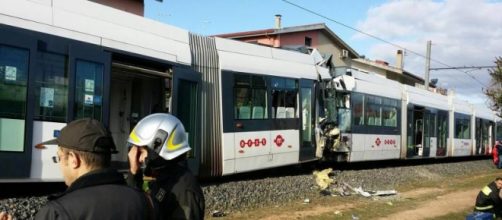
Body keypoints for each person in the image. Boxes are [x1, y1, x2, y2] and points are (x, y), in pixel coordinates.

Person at [26, 118, 151, 219]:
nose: (59, 164)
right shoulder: (146, 202)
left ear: (74, 159)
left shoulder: (57, 212)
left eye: (59, 158)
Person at [126, 113, 205, 220]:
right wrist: (134, 176)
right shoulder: (165, 180)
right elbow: (137, 209)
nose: (138, 159)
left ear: (157, 148)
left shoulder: (184, 192)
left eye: (141, 152)